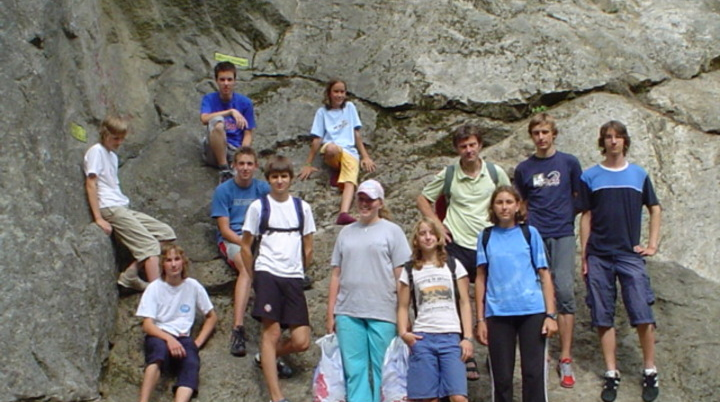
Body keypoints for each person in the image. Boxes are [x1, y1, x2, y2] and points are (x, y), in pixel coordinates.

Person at [417, 124, 510, 379]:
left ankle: (495, 352)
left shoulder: (494, 172)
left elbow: (508, 198)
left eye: (472, 145)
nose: (469, 150)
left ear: (480, 145)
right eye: (463, 146)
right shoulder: (450, 173)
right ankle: (466, 354)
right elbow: (423, 198)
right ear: (457, 149)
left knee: (493, 298)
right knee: (459, 299)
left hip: (490, 242)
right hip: (457, 243)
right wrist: (437, 223)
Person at [578, 121, 661, 402]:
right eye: (608, 137)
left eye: (618, 137)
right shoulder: (590, 176)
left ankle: (650, 369)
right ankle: (611, 372)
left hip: (629, 254)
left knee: (642, 312)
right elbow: (586, 216)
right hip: (599, 255)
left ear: (625, 141)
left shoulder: (638, 174)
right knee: (602, 315)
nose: (613, 142)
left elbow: (655, 207)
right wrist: (585, 255)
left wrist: (652, 244)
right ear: (603, 142)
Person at [326, 179, 412, 402]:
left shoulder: (393, 232)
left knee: (384, 371)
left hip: (383, 311)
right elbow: (336, 274)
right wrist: (331, 314)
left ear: (380, 203)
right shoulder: (345, 233)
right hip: (348, 312)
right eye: (361, 199)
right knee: (354, 371)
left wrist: (403, 314)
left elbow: (401, 276)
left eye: (370, 200)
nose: (364, 204)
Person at [514, 113, 582, 388]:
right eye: (536, 133)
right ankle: (539, 352)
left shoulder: (569, 163)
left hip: (563, 233)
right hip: (534, 234)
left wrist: (566, 217)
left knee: (564, 290)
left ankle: (565, 357)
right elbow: (522, 202)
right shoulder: (524, 168)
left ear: (554, 134)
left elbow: (580, 197)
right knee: (536, 292)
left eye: (545, 132)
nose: (541, 137)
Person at [239, 155, 316, 402]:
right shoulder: (258, 207)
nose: (279, 181)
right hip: (268, 272)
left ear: (291, 179)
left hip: (293, 275)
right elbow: (246, 245)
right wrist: (255, 277)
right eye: (275, 177)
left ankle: (266, 356)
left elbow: (308, 246)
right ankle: (276, 397)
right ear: (269, 179)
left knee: (301, 340)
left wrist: (300, 268)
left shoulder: (302, 208)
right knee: (270, 333)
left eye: (284, 176)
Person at [474, 186, 558, 402]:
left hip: (532, 311)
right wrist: (480, 319)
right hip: (498, 313)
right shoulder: (485, 236)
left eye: (509, 202)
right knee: (501, 378)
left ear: (518, 205)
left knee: (533, 374)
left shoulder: (529, 233)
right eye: (499, 202)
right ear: (493, 206)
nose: (504, 207)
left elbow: (544, 273)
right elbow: (481, 277)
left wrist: (550, 315)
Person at [84, 116, 176, 291]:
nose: (119, 142)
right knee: (149, 247)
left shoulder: (112, 156)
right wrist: (98, 218)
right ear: (105, 134)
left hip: (121, 205)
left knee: (166, 234)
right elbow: (91, 183)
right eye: (115, 138)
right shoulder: (96, 151)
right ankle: (159, 294)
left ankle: (131, 274)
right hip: (109, 207)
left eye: (122, 138)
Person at [397, 217, 474, 402]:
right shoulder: (410, 269)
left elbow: (464, 302)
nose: (428, 237)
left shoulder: (453, 266)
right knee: (428, 398)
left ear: (439, 238)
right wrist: (403, 333)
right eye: (423, 234)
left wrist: (468, 338)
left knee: (458, 396)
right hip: (423, 336)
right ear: (416, 240)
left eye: (431, 233)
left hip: (450, 336)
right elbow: (402, 305)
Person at [136, 244, 217, 402]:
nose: (173, 264)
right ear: (163, 265)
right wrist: (169, 339)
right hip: (160, 333)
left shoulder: (193, 286)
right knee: (158, 354)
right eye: (169, 260)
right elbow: (147, 324)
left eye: (177, 259)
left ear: (183, 262)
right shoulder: (155, 288)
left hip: (183, 337)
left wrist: (197, 342)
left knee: (191, 363)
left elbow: (211, 316)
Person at [210, 146, 270, 357]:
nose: (245, 168)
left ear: (255, 166)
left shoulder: (263, 189)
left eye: (249, 164)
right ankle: (238, 328)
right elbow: (224, 229)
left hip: (257, 237)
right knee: (246, 268)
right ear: (234, 166)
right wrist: (245, 245)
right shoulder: (223, 191)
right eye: (241, 164)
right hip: (234, 238)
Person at [297, 79, 377, 225]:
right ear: (329, 93)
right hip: (332, 150)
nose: (339, 95)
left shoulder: (350, 108)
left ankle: (343, 213)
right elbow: (317, 139)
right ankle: (336, 170)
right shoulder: (322, 112)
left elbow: (356, 133)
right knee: (331, 148)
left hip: (349, 151)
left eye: (342, 92)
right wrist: (308, 163)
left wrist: (365, 156)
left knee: (350, 179)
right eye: (336, 91)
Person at [200, 61, 256, 182]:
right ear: (217, 81)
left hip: (234, 150)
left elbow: (248, 133)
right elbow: (204, 119)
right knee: (218, 122)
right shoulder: (209, 99)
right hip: (214, 150)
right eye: (222, 80)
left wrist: (241, 156)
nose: (226, 84)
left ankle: (232, 168)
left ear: (235, 81)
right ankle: (224, 169)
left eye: (229, 80)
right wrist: (230, 112)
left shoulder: (245, 103)